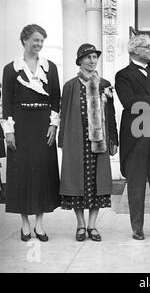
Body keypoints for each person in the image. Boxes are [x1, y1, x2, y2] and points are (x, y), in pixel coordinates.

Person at [2, 24, 61, 242]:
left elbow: (56, 99)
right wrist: (9, 131)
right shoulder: (11, 69)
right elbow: (6, 102)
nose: (39, 44)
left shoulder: (50, 67)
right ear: (25, 40)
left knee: (42, 172)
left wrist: (53, 125)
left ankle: (39, 224)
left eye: (41, 41)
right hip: (20, 125)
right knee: (21, 172)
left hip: (43, 124)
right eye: (35, 40)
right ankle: (25, 224)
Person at [58, 44, 118, 242]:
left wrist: (113, 138)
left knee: (96, 182)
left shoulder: (104, 84)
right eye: (89, 57)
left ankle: (92, 225)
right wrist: (62, 140)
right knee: (77, 181)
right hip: (76, 139)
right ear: (80, 60)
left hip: (98, 141)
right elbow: (63, 113)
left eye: (95, 57)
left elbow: (111, 114)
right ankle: (80, 225)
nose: (93, 61)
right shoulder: (70, 86)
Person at [115, 34, 150, 241]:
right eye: (148, 47)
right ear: (135, 50)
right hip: (136, 138)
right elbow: (129, 102)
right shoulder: (123, 75)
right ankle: (137, 228)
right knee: (137, 186)